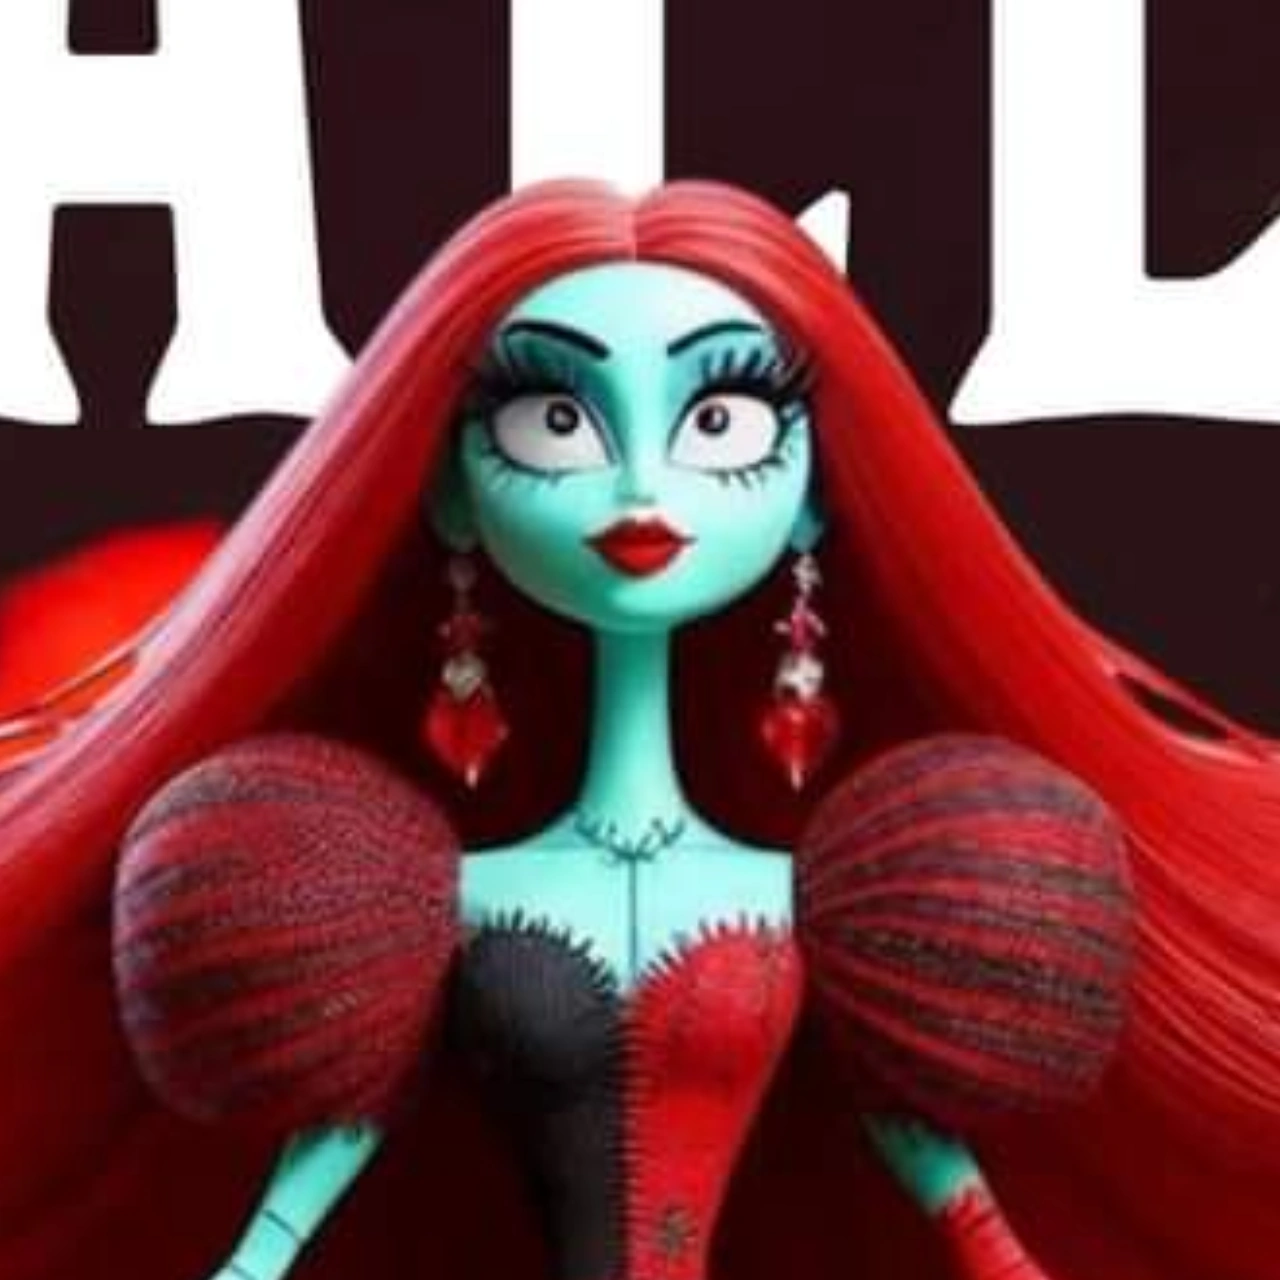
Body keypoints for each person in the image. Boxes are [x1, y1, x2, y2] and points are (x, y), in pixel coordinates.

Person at [1, 181, 1276, 1280]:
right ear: (452, 492)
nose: (639, 489)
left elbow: (916, 1134)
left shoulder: (848, 899)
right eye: (554, 419)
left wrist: (996, 1250)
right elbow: (342, 1128)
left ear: (810, 498)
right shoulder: (402, 899)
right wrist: (253, 1256)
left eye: (717, 421)